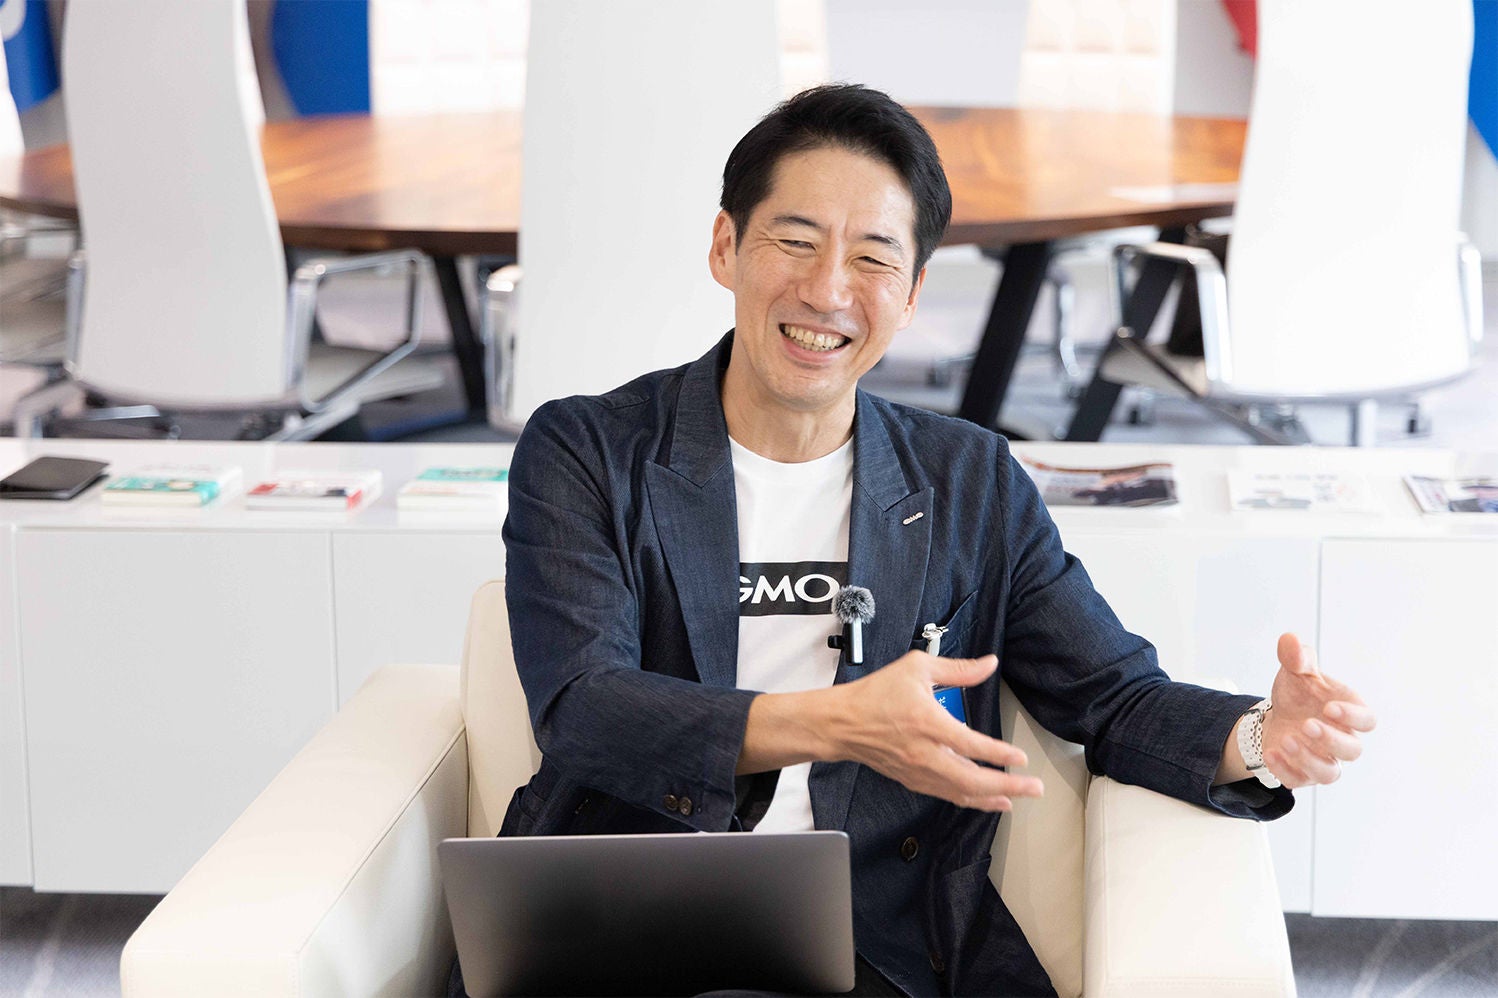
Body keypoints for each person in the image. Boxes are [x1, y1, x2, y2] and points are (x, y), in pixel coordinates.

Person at [483, 84, 1375, 997]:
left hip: (878, 944)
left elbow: (1111, 698)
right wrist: (836, 723)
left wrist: (1261, 736)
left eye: (872, 258)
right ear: (725, 247)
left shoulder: (967, 480)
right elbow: (583, 705)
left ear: (910, 295)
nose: (827, 290)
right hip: (626, 921)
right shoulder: (589, 450)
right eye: (796, 241)